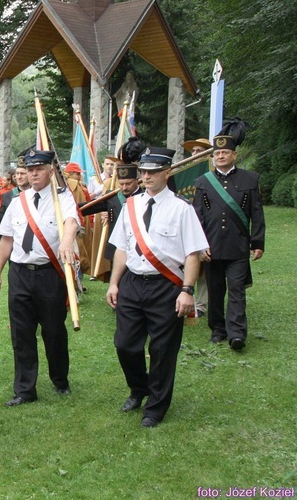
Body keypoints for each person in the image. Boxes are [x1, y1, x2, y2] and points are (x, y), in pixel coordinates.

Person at [106, 147, 208, 428]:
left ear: (167, 172)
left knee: (163, 350)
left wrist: (187, 290)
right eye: (143, 172)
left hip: (166, 286)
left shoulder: (181, 209)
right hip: (133, 283)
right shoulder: (130, 206)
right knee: (125, 344)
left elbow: (192, 253)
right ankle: (139, 389)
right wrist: (114, 283)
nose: (146, 177)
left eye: (152, 172)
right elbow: (122, 248)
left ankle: (156, 407)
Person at [0, 149, 79, 406]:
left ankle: (60, 380)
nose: (34, 173)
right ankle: (25, 389)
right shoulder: (18, 202)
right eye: (30, 170)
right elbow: (7, 238)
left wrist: (67, 241)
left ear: (51, 170)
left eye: (39, 169)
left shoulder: (62, 198)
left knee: (53, 332)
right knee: (21, 334)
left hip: (49, 274)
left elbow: (72, 222)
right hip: (19, 274)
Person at [193, 123, 265, 350]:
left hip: (238, 246)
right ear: (212, 157)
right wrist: (199, 245)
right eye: (217, 153)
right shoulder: (203, 182)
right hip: (211, 246)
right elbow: (198, 217)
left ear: (234, 154)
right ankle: (218, 329)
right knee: (215, 291)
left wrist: (257, 242)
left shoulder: (250, 179)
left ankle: (236, 334)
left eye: (225, 152)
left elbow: (256, 213)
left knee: (236, 289)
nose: (221, 156)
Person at [182, 138, 213, 317]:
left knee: (203, 270)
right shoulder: (184, 173)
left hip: (206, 228)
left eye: (199, 150)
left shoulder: (212, 174)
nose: (195, 154)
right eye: (193, 151)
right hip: (185, 225)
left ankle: (201, 304)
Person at [0, 164, 30, 259]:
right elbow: (1, 221)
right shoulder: (8, 196)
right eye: (17, 174)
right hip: (14, 244)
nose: (19, 177)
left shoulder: (37, 194)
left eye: (23, 174)